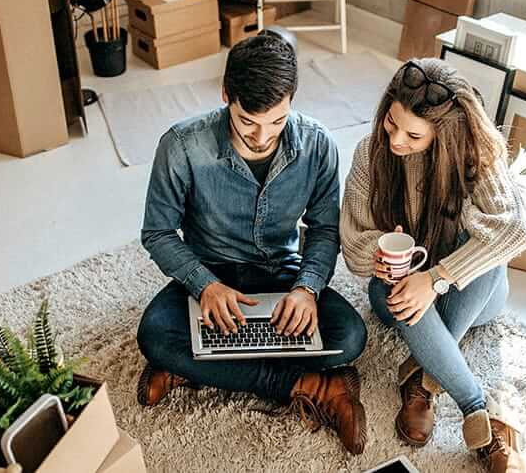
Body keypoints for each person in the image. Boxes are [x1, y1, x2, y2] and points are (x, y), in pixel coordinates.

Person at [136, 31, 368, 455]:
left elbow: (323, 229)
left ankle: (197, 370)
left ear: (292, 100)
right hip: (210, 275)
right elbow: (157, 232)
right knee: (154, 336)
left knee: (350, 336)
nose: (262, 136)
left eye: (277, 122)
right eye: (248, 122)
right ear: (227, 95)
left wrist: (306, 289)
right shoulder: (181, 145)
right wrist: (204, 284)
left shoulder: (317, 144)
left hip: (282, 275)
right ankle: (310, 385)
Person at [340, 58, 526, 471]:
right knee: (396, 287)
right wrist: (384, 253)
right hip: (396, 291)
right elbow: (353, 240)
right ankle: (472, 405)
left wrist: (436, 278)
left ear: (443, 134)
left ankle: (429, 375)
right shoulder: (369, 153)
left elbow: (517, 230)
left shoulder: (476, 155)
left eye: (413, 134)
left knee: (486, 252)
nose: (395, 140)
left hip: (476, 295)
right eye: (391, 123)